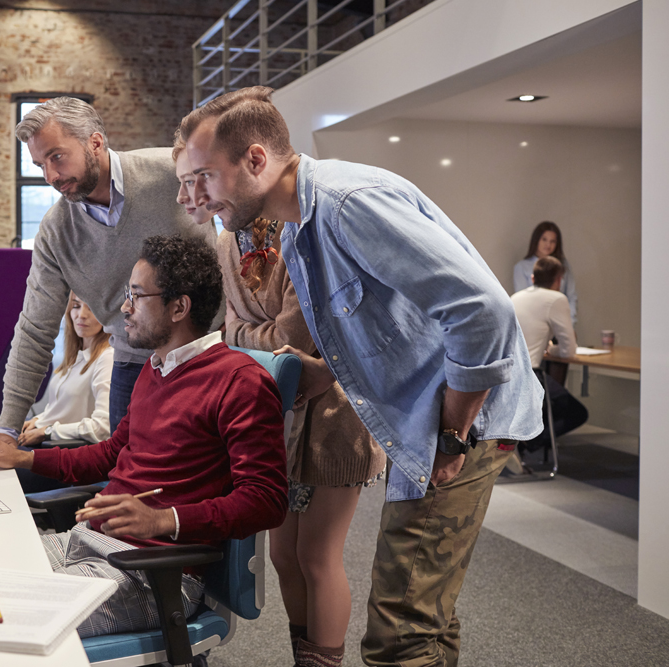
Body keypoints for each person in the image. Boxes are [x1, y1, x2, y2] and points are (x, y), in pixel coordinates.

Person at [180, 86, 543, 667]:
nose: (196, 194)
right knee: (427, 617)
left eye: (205, 176)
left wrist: (451, 435)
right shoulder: (300, 229)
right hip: (424, 422)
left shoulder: (349, 203)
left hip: (465, 423)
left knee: (399, 631)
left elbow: (483, 313)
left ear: (254, 160)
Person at [0, 235, 288, 638]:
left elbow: (267, 502)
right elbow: (111, 454)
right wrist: (20, 457)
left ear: (179, 306)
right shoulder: (156, 367)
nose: (123, 308)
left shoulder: (240, 382)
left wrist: (161, 519)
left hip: (155, 574)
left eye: (136, 296)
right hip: (89, 543)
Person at [174, 134, 386, 662]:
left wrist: (250, 335)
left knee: (317, 555)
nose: (192, 196)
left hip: (335, 413)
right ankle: (304, 655)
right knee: (284, 557)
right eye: (185, 183)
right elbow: (231, 331)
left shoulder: (295, 231)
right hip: (276, 411)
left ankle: (325, 658)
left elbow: (300, 337)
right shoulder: (227, 240)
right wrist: (256, 337)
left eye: (199, 180)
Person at [0, 97, 219, 461]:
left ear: (95, 142)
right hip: (132, 362)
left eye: (57, 157)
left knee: (200, 479)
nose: (50, 177)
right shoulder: (57, 231)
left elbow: (237, 225)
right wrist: (8, 429)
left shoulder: (170, 172)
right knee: (126, 476)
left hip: (207, 357)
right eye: (41, 165)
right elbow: (35, 329)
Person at [14, 292, 113, 494]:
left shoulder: (107, 358)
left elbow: (103, 428)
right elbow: (67, 408)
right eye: (76, 306)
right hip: (50, 447)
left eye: (91, 308)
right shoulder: (75, 356)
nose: (81, 315)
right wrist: (40, 420)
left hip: (68, 460)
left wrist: (47, 430)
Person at [511, 256, 588, 453]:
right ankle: (527, 442)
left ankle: (519, 441)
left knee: (550, 403)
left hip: (508, 376)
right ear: (558, 280)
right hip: (530, 376)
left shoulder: (516, 297)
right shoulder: (556, 299)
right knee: (577, 413)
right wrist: (552, 349)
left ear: (533, 277)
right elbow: (569, 349)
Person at [513, 221, 578, 325]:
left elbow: (571, 296)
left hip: (560, 321)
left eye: (553, 241)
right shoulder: (522, 267)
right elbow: (523, 300)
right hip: (534, 323)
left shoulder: (563, 265)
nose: (548, 244)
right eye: (544, 239)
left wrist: (571, 323)